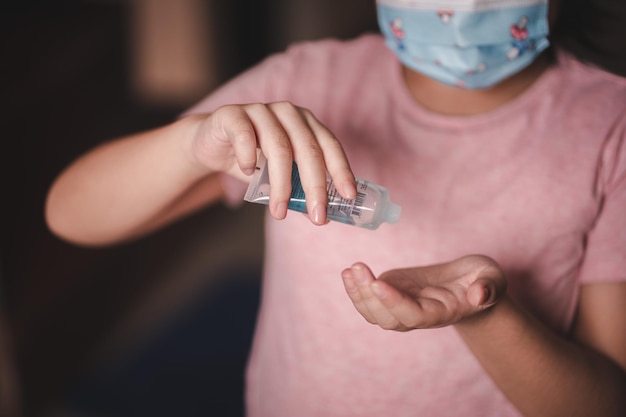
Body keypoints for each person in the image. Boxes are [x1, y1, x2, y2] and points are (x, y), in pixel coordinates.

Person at [45, 0, 626, 416]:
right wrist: (191, 144)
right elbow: (71, 214)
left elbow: (603, 402)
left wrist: (487, 313)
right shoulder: (306, 80)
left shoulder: (610, 125)